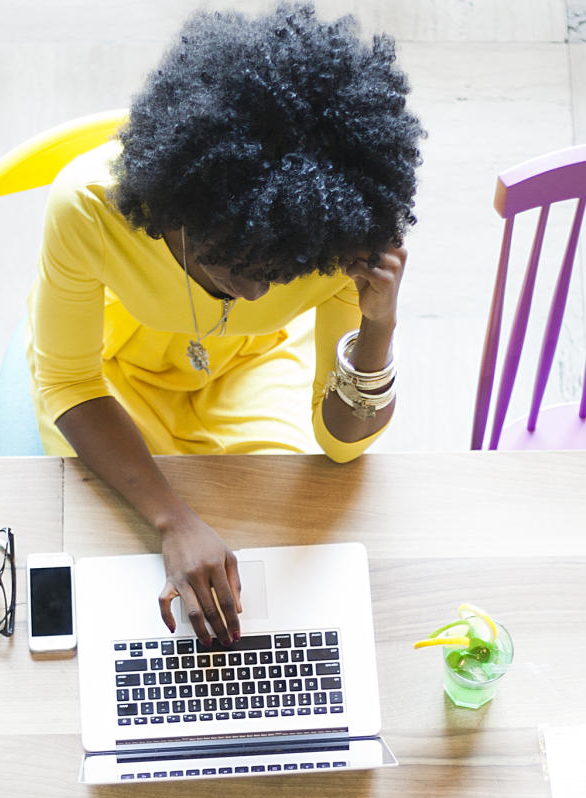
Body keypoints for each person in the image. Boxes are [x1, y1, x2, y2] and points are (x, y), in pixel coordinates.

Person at [27, 2, 423, 647]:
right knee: (119, 562)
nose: (257, 288)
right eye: (231, 260)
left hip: (254, 364)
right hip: (114, 369)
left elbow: (342, 444)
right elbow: (69, 381)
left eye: (285, 268)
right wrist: (172, 520)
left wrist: (377, 326)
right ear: (178, 204)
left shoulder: (334, 243)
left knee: (281, 551)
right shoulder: (89, 209)